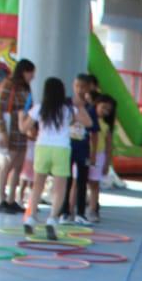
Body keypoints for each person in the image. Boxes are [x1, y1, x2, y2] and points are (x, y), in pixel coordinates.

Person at [21, 77, 91, 240]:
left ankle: (31, 218)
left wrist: (20, 117)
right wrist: (80, 106)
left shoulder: (39, 107)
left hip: (42, 147)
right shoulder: (67, 110)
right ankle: (52, 220)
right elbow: (88, 123)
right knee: (60, 188)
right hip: (61, 149)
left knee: (38, 185)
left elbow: (24, 128)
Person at [59, 72, 99, 225]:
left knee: (82, 180)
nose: (79, 90)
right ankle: (65, 212)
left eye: (83, 87)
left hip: (83, 149)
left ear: (88, 88)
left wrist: (93, 153)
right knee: (67, 180)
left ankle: (80, 213)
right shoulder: (66, 103)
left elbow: (94, 132)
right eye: (77, 86)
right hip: (67, 147)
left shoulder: (90, 107)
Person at [0, 57, 36, 213]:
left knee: (18, 165)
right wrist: (2, 132)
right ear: (24, 71)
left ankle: (11, 198)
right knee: (9, 163)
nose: (33, 76)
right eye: (31, 73)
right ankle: (1, 198)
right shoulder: (9, 84)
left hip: (21, 131)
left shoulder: (26, 88)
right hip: (10, 129)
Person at [87, 94, 116, 223]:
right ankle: (71, 209)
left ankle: (93, 209)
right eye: (103, 107)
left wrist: (107, 163)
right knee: (78, 183)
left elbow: (109, 146)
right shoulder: (87, 119)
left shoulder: (106, 126)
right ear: (96, 105)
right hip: (85, 153)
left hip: (99, 156)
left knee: (94, 184)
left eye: (108, 110)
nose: (105, 112)